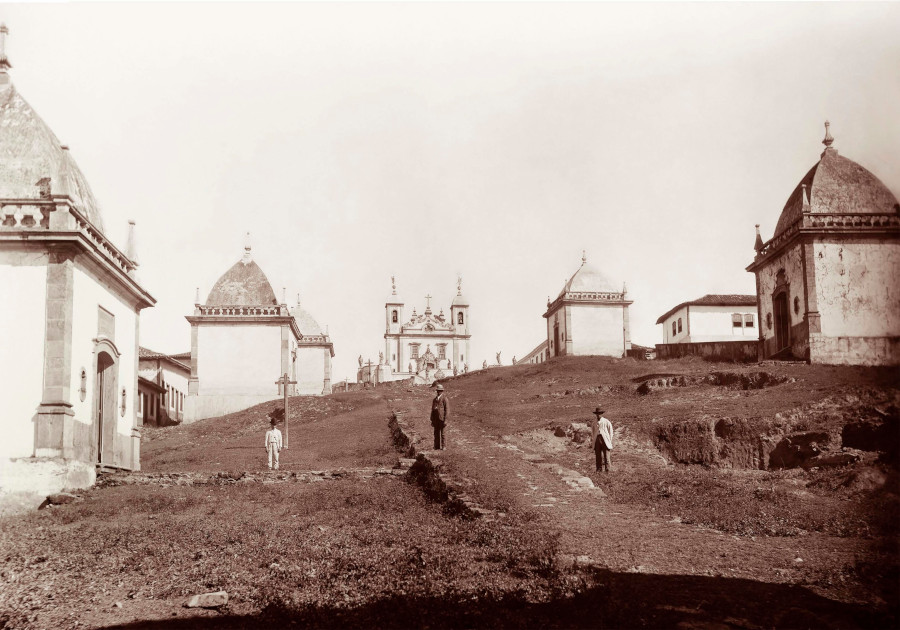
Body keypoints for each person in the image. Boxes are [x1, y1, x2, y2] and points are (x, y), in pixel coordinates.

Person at [591, 407, 614, 472]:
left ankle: (608, 470)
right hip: (597, 440)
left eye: (600, 413)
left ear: (602, 414)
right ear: (596, 414)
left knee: (606, 456)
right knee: (598, 456)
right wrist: (594, 440)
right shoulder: (594, 423)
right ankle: (599, 470)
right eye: (597, 414)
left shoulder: (606, 421)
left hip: (605, 440)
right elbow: (592, 432)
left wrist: (609, 440)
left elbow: (610, 431)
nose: (598, 415)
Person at [431, 383, 449, 450]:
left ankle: (444, 446)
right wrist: (432, 419)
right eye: (438, 390)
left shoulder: (444, 399)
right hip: (436, 419)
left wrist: (446, 420)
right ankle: (436, 446)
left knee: (443, 433)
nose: (439, 392)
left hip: (442, 418)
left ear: (442, 391)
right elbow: (432, 410)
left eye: (440, 390)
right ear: (436, 391)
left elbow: (447, 410)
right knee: (436, 433)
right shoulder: (434, 399)